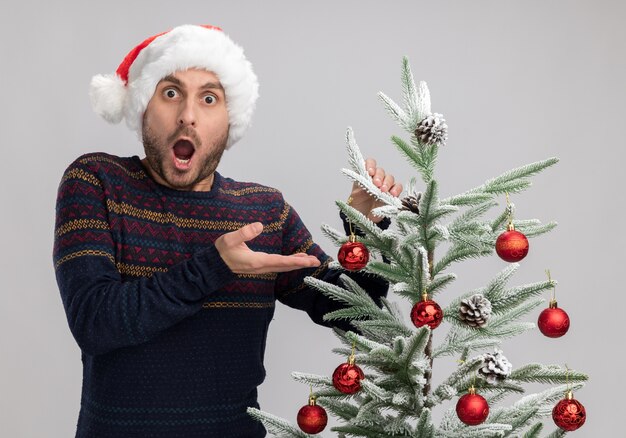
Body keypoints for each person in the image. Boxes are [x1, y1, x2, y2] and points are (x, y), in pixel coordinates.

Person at [53, 24, 402, 437]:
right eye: (170, 93)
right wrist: (215, 265)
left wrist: (365, 228)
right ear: (143, 106)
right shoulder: (97, 180)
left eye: (209, 98)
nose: (187, 114)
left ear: (229, 119)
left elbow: (358, 315)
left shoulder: (263, 210)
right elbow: (95, 322)